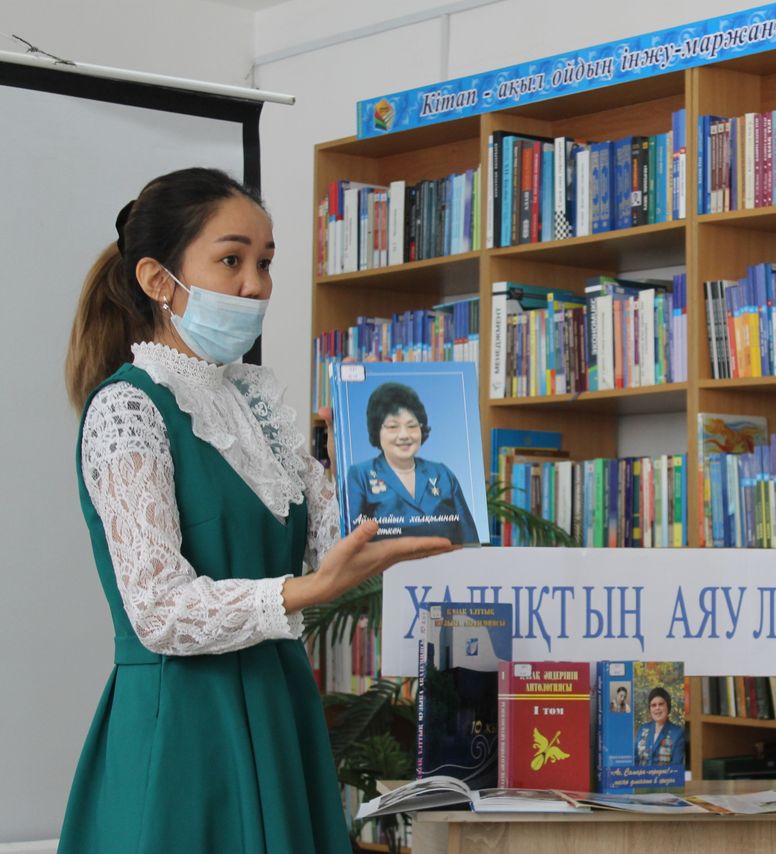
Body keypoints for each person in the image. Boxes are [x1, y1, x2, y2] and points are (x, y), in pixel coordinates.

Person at [60, 167, 457, 853]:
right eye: (231, 260)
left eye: (265, 263)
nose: (255, 285)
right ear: (158, 280)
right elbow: (157, 609)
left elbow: (334, 548)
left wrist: (369, 472)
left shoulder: (258, 407)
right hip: (184, 726)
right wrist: (309, 590)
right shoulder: (127, 408)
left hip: (277, 707)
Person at [344, 381, 480, 543]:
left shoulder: (442, 473)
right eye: (393, 427)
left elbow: (470, 539)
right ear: (377, 430)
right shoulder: (360, 476)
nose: (404, 435)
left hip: (448, 559)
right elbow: (350, 543)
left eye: (412, 426)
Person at [634, 686, 685, 766]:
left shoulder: (677, 733)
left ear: (668, 706)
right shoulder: (642, 729)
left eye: (661, 704)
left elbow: (676, 767)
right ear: (650, 709)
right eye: (653, 705)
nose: (657, 708)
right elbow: (634, 760)